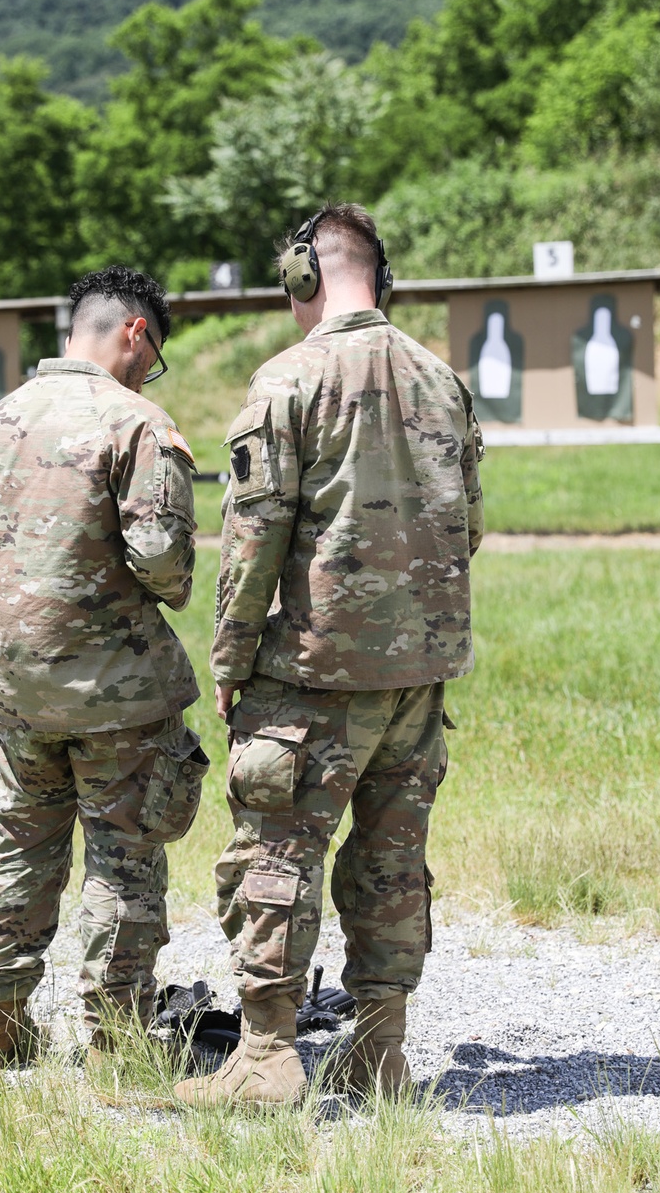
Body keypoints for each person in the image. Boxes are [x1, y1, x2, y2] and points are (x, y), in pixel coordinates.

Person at [174, 205, 484, 1107]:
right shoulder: (442, 378)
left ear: (301, 275)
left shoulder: (288, 379)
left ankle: (267, 1061)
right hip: (418, 675)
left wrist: (230, 661)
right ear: (381, 278)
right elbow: (469, 526)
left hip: (312, 673)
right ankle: (380, 1056)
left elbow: (253, 536)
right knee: (393, 862)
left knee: (275, 851)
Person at [0, 266, 208, 1069]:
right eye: (153, 354)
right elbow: (164, 565)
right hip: (116, 697)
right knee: (124, 858)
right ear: (135, 332)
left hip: (20, 691)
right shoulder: (134, 422)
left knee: (22, 847)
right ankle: (115, 1039)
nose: (148, 370)